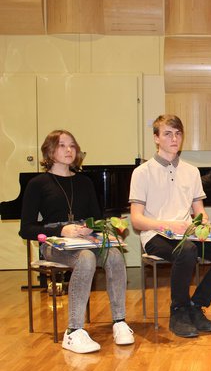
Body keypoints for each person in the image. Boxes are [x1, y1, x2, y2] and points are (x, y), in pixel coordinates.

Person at [20, 130, 134, 354]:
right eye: (62, 145)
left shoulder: (84, 182)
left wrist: (99, 227)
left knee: (114, 255)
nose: (69, 150)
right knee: (86, 258)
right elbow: (26, 229)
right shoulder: (37, 183)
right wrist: (63, 229)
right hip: (54, 244)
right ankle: (73, 332)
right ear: (50, 151)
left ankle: (119, 322)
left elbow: (97, 217)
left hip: (85, 240)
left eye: (72, 145)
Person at [129, 114, 211, 338]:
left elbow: (199, 210)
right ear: (156, 138)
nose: (174, 138)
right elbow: (137, 220)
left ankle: (196, 306)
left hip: (187, 234)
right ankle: (178, 311)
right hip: (155, 235)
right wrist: (167, 225)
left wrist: (203, 222)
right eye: (168, 133)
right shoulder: (142, 173)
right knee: (186, 251)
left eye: (178, 133)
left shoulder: (191, 171)